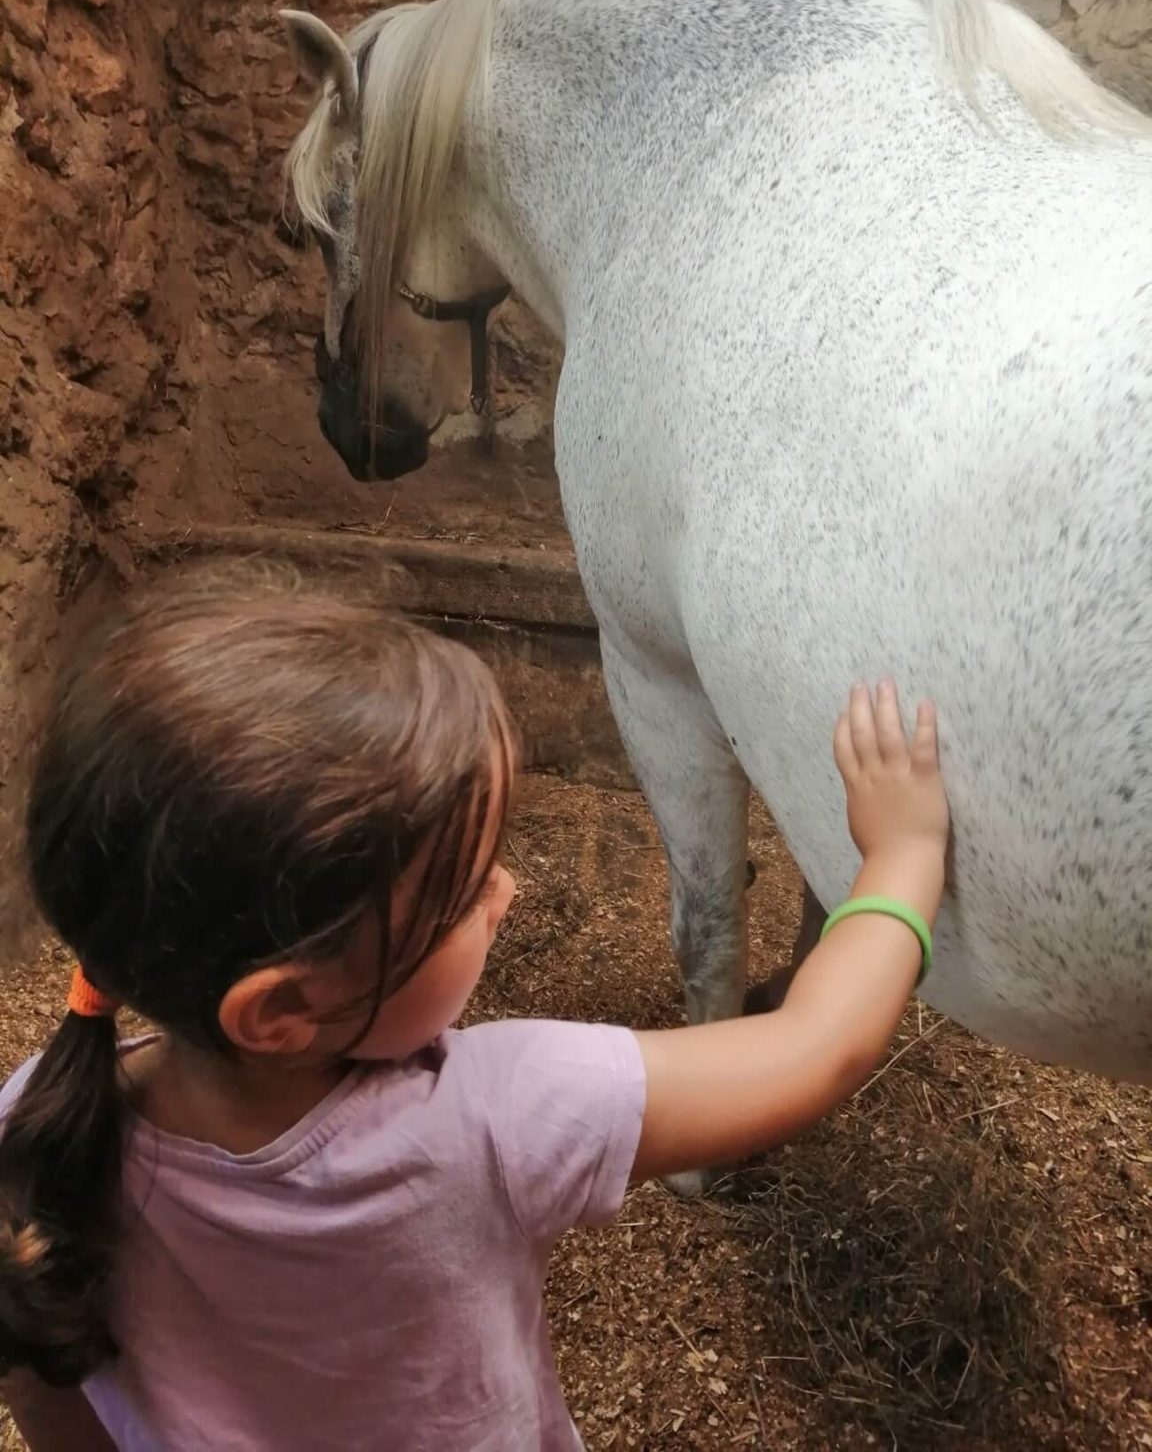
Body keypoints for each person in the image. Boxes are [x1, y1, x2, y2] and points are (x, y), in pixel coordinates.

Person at [0, 563, 949, 1451]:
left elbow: (49, 1385)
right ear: (282, 1010)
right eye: (463, 890)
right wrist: (899, 859)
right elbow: (814, 1047)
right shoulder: (491, 1116)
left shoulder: (39, 1125)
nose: (510, 891)